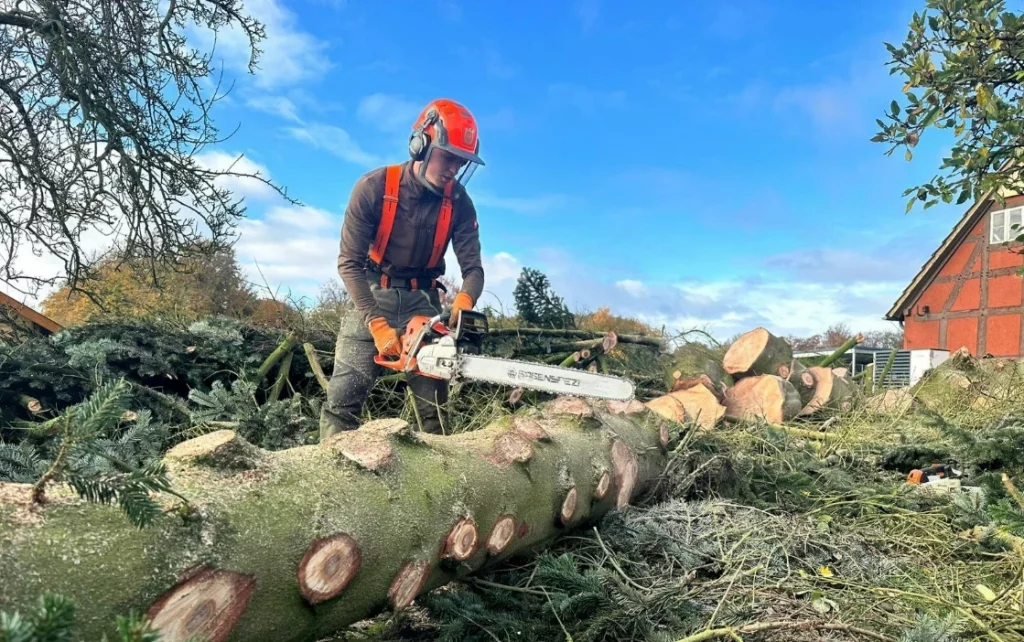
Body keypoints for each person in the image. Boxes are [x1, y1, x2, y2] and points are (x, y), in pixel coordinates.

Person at [320, 98, 486, 439]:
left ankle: (441, 485)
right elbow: (349, 263)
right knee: (342, 403)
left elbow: (474, 269)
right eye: (448, 156)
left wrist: (464, 301)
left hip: (423, 305)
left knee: (435, 417)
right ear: (422, 143)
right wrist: (376, 324)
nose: (453, 168)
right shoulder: (374, 188)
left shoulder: (459, 202)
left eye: (461, 161)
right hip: (371, 295)